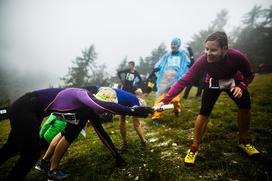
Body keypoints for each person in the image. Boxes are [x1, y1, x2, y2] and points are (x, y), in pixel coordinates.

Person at [0, 87, 152, 180]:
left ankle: (50, 167)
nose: (105, 112)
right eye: (105, 109)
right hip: (25, 106)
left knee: (11, 148)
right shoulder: (82, 94)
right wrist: (131, 110)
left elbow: (102, 134)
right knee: (31, 154)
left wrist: (117, 157)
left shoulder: (87, 111)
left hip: (32, 109)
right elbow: (100, 105)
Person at [155, 31, 260, 165]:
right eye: (206, 49)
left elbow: (249, 75)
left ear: (225, 49)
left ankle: (244, 141)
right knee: (204, 112)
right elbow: (184, 81)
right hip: (213, 82)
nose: (208, 53)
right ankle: (194, 148)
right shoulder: (203, 60)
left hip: (234, 82)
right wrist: (164, 100)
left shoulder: (237, 57)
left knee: (245, 106)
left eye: (213, 50)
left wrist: (242, 86)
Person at [151, 38, 190, 125]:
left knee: (175, 100)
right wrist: (157, 67)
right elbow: (160, 63)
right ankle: (156, 117)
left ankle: (177, 110)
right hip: (165, 79)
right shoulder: (167, 55)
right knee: (160, 98)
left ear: (178, 46)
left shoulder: (182, 55)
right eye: (172, 44)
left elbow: (187, 63)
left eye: (175, 44)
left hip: (176, 80)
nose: (173, 46)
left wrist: (187, 67)